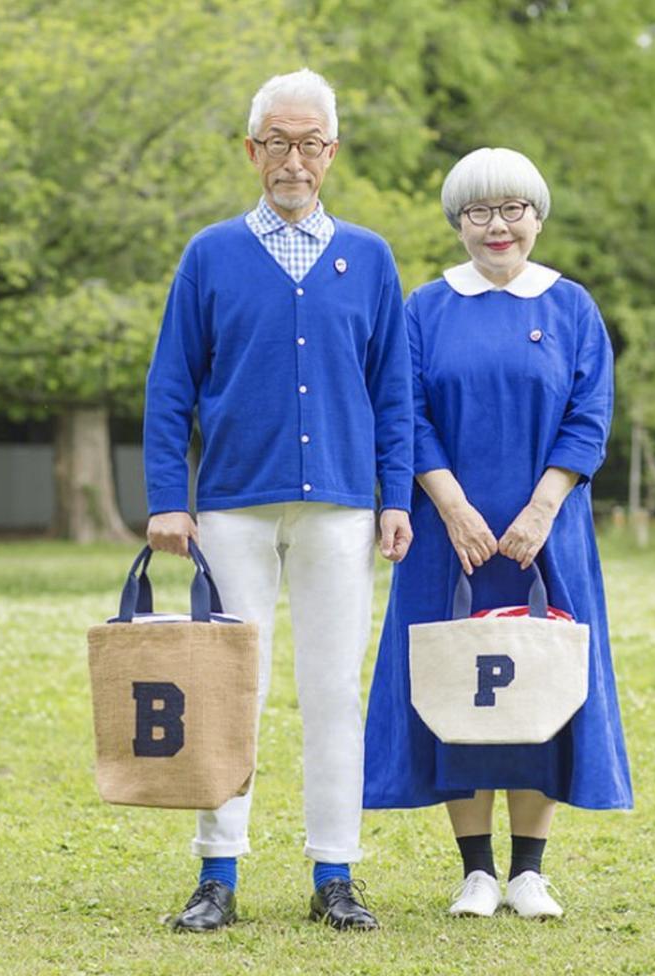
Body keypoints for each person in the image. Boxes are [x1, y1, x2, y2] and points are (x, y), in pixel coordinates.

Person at [143, 68, 413, 932]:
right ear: (253, 150)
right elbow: (169, 388)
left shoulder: (369, 259)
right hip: (229, 506)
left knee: (336, 689)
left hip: (340, 503)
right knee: (229, 690)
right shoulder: (210, 254)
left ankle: (335, 871)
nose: (292, 160)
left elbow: (394, 392)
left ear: (331, 153)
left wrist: (394, 496)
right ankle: (217, 873)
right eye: (277, 143)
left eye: (310, 144)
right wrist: (166, 498)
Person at [363, 147, 632, 919]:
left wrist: (542, 511)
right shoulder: (425, 307)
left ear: (538, 216)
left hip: (548, 531)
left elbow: (589, 418)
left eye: (512, 209)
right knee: (458, 682)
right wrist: (451, 508)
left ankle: (530, 871)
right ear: (458, 223)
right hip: (451, 532)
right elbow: (404, 416)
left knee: (545, 677)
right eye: (478, 212)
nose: (497, 226)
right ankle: (475, 870)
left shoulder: (572, 307)